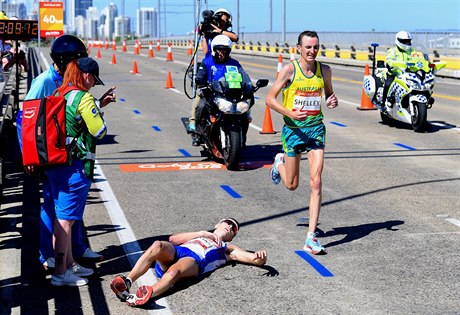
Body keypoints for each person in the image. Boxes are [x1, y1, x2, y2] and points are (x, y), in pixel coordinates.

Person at [22, 34, 115, 271]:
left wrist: (99, 105)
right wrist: (29, 156)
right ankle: (50, 256)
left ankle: (76, 249)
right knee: (53, 206)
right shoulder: (44, 82)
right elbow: (26, 119)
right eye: (78, 60)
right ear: (67, 61)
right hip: (49, 152)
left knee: (67, 207)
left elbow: (72, 114)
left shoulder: (65, 82)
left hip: (60, 152)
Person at [265, 30, 338, 255]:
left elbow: (329, 95)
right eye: (307, 47)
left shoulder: (324, 70)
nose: (312, 51)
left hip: (315, 129)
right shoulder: (289, 70)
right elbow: (269, 99)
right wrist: (290, 113)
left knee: (316, 182)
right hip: (293, 131)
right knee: (292, 184)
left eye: (315, 47)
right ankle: (279, 163)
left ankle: (310, 238)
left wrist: (331, 100)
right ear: (299, 49)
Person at [49, 57, 113, 286]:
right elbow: (99, 131)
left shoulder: (60, 92)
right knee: (66, 220)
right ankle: (59, 272)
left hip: (56, 163)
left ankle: (69, 263)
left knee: (63, 216)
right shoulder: (83, 98)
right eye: (94, 80)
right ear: (85, 75)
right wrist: (99, 112)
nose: (94, 84)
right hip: (75, 165)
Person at [110, 218, 267, 307]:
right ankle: (127, 281)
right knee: (158, 245)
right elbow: (173, 239)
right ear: (218, 224)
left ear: (232, 237)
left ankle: (145, 295)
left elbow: (254, 259)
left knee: (174, 272)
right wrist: (202, 234)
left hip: (194, 261)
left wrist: (260, 257)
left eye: (234, 229)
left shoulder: (227, 247)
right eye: (228, 223)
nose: (230, 227)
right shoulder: (200, 235)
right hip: (179, 251)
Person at [190, 34, 251, 146]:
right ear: (214, 50)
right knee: (200, 107)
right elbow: (200, 76)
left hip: (231, 95)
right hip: (211, 93)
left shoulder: (234, 63)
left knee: (245, 112)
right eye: (219, 50)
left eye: (225, 50)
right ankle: (198, 134)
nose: (222, 53)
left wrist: (248, 86)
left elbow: (243, 76)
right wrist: (202, 84)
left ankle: (242, 137)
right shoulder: (207, 62)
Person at [189, 8, 239, 133]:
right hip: (210, 65)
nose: (222, 23)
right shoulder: (209, 33)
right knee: (201, 99)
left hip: (224, 69)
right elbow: (206, 52)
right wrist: (205, 34)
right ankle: (193, 121)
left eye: (224, 21)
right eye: (220, 20)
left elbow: (235, 37)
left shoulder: (225, 33)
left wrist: (220, 31)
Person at [382, 30, 414, 107]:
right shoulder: (392, 51)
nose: (407, 43)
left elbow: (418, 58)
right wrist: (392, 63)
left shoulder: (412, 51)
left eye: (408, 41)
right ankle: (384, 103)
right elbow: (388, 61)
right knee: (388, 84)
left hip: (408, 75)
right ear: (398, 41)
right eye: (404, 41)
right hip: (394, 74)